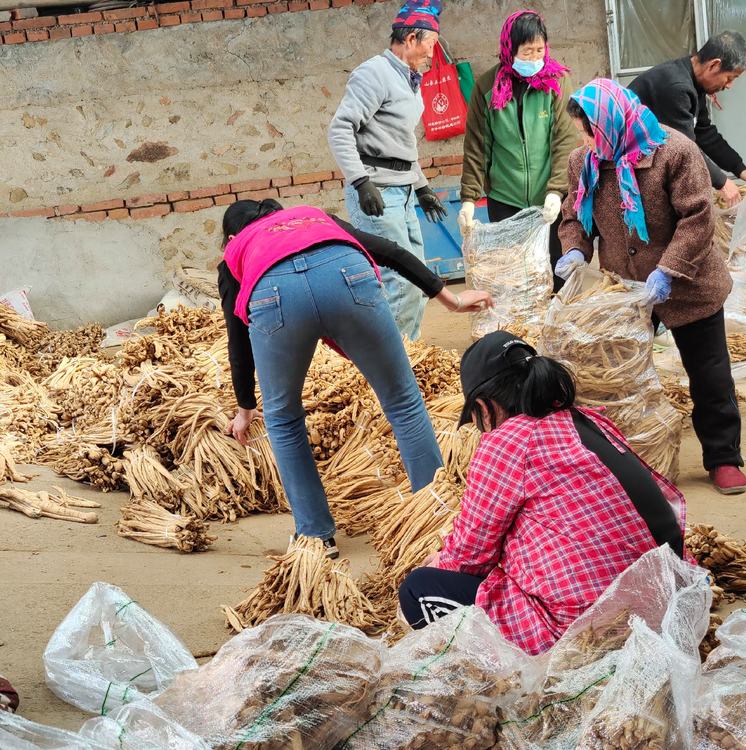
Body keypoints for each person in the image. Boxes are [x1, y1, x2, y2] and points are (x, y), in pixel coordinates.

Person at [218, 199, 493, 559]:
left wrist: (245, 408)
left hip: (276, 298)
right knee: (403, 400)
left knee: (284, 420)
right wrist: (451, 300)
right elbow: (390, 252)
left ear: (232, 236)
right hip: (348, 277)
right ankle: (437, 516)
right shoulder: (312, 218)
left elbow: (238, 339)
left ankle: (317, 538)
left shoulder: (236, 252)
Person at [398, 330, 687, 655]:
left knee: (418, 590)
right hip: (668, 598)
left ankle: (529, 668)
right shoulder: (588, 420)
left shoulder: (508, 441)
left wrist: (441, 561)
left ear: (484, 406)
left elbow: (470, 555)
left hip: (595, 629)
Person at [554, 78, 745, 495]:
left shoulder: (673, 151)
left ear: (609, 122)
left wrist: (668, 270)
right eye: (582, 133)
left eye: (591, 131)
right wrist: (573, 250)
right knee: (620, 375)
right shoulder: (584, 161)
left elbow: (698, 218)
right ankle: (631, 458)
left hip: (689, 282)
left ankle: (723, 457)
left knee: (709, 375)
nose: (586, 141)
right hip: (624, 288)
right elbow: (573, 215)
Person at [328, 0, 447, 341]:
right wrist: (360, 182)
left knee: (419, 279)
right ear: (410, 39)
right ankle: (394, 366)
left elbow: (403, 141)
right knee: (398, 283)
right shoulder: (374, 73)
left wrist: (422, 187)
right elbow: (340, 130)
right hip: (378, 192)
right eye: (431, 45)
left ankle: (408, 354)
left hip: (403, 190)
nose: (432, 54)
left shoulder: (410, 79)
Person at [458, 9, 579, 291]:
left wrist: (555, 190)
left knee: (556, 269)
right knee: (514, 275)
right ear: (510, 50)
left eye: (540, 50)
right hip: (505, 199)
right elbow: (477, 146)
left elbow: (564, 139)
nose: (535, 59)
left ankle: (556, 329)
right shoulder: (486, 87)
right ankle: (521, 333)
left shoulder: (557, 82)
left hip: (550, 201)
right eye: (527, 52)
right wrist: (468, 199)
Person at [629, 31, 746, 207]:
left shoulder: (694, 82)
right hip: (630, 171)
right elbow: (686, 150)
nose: (729, 85)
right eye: (730, 78)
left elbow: (705, 134)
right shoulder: (676, 87)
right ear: (714, 65)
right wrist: (722, 182)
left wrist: (741, 169)